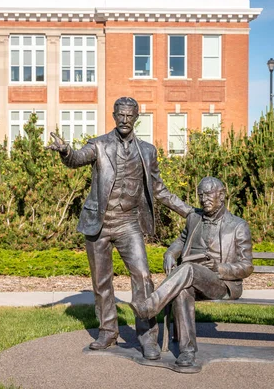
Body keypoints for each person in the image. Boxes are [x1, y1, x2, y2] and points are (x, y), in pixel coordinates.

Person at [47, 97, 193, 361]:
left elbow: (159, 190)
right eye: (120, 115)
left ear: (137, 117)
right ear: (114, 115)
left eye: (130, 115)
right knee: (101, 282)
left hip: (128, 223)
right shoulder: (99, 145)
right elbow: (77, 159)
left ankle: (147, 337)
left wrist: (189, 212)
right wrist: (66, 151)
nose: (125, 120)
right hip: (99, 224)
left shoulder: (147, 151)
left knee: (143, 276)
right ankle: (108, 331)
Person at [130, 177, 254, 367]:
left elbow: (247, 266)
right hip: (191, 279)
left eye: (208, 194)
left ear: (221, 195)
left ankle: (150, 306)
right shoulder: (194, 218)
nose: (204, 199)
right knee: (182, 290)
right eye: (201, 195)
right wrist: (170, 253)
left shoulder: (238, 226)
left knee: (187, 269)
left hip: (221, 283)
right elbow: (181, 240)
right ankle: (187, 352)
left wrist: (220, 268)